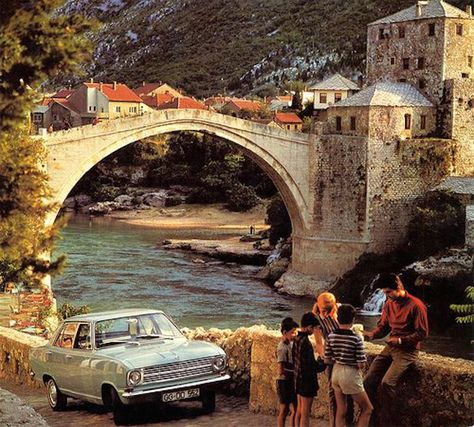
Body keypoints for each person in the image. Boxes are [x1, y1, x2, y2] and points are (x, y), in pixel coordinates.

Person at [363, 273, 428, 426]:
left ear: (398, 287)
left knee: (387, 383)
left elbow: (422, 333)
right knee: (367, 381)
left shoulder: (416, 305)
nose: (386, 295)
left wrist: (400, 340)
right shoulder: (389, 303)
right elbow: (383, 327)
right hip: (390, 348)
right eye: (385, 293)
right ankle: (373, 419)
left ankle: (389, 421)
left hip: (408, 350)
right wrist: (372, 334)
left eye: (388, 292)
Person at [325, 304, 373, 427]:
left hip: (336, 372)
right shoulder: (356, 338)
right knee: (367, 409)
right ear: (353, 320)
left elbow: (327, 360)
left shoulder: (331, 336)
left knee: (341, 410)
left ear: (338, 318)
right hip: (350, 374)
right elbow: (361, 363)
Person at [312, 292, 348, 427]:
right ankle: (333, 423)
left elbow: (346, 333)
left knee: (347, 390)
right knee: (333, 391)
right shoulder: (316, 317)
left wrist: (335, 317)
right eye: (323, 310)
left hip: (345, 356)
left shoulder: (341, 311)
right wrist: (323, 357)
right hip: (331, 357)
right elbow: (319, 343)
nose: (325, 314)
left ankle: (346, 422)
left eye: (328, 310)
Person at [292, 312, 325, 427]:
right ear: (309, 327)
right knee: (306, 413)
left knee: (299, 411)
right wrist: (322, 361)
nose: (314, 331)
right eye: (314, 328)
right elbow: (312, 366)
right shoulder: (306, 343)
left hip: (297, 380)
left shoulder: (296, 339)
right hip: (307, 383)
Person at [276, 317, 299, 427]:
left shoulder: (290, 344)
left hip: (291, 381)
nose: (295, 335)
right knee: (284, 410)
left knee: (295, 409)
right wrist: (295, 372)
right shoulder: (282, 348)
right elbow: (281, 370)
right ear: (285, 332)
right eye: (293, 333)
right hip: (284, 382)